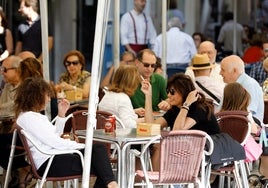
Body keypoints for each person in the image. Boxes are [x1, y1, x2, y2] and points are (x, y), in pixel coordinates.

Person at [14, 77, 119, 188]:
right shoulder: (31, 118)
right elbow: (56, 142)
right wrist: (83, 146)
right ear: (36, 97)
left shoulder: (29, 117)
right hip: (50, 163)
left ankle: (111, 184)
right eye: (47, 95)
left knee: (101, 162)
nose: (49, 100)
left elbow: (54, 138)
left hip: (51, 159)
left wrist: (61, 115)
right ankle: (112, 184)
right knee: (101, 161)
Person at [143, 73, 220, 170]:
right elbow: (151, 127)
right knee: (157, 145)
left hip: (207, 153)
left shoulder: (199, 108)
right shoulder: (175, 110)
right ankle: (159, 181)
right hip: (188, 150)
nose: (168, 95)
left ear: (183, 92)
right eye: (168, 91)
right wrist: (148, 95)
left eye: (172, 92)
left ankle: (160, 181)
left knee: (160, 145)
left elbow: (178, 130)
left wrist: (187, 103)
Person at [220, 55, 264, 123]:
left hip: (247, 130)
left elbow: (247, 114)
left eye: (223, 70)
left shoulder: (250, 85)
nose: (220, 73)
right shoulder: (230, 86)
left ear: (234, 71)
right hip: (231, 126)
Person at [131, 49, 170, 117]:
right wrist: (133, 111)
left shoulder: (159, 79)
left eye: (153, 66)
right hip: (133, 120)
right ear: (137, 62)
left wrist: (167, 103)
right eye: (146, 65)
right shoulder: (128, 79)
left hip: (155, 119)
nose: (149, 69)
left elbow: (170, 99)